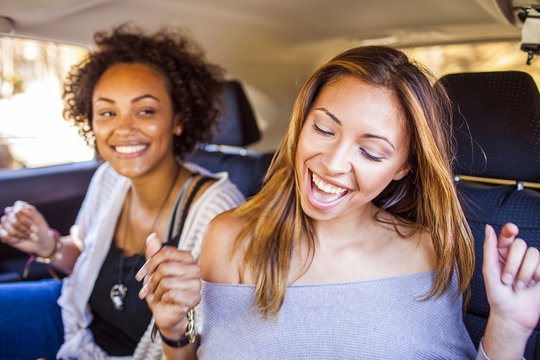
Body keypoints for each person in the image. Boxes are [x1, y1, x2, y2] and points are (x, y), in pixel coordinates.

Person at [139, 46, 540, 359]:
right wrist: (174, 328)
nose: (332, 164)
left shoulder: (428, 250)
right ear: (301, 123)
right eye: (324, 129)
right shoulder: (229, 237)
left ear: (404, 166)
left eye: (371, 152)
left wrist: (508, 328)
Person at [0, 25, 244, 359]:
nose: (124, 129)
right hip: (75, 325)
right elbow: (88, 259)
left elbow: (218, 347)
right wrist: (49, 245)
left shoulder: (220, 211)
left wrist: (173, 329)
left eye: (145, 110)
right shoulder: (108, 178)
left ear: (179, 118)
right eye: (107, 112)